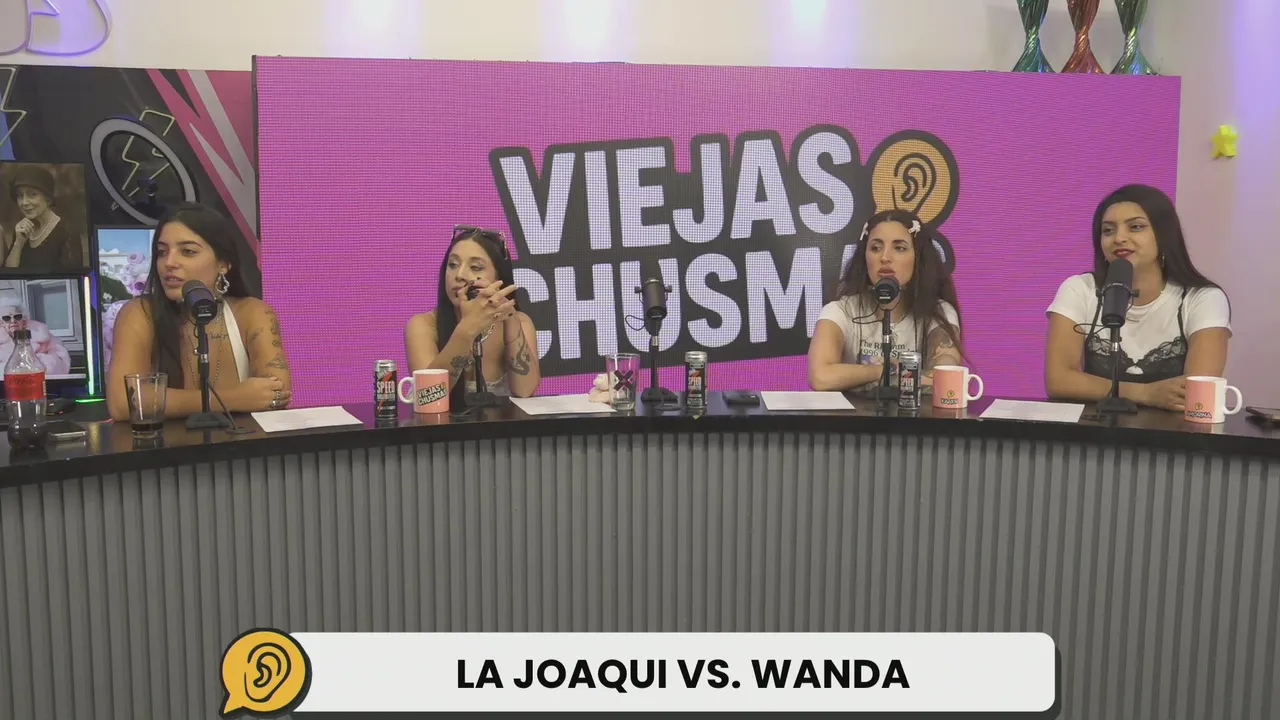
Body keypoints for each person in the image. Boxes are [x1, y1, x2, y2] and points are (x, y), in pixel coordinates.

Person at [1044, 184, 1231, 412]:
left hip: (1174, 432)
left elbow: (1196, 394)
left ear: (1164, 235)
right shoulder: (1080, 289)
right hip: (1096, 429)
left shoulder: (1203, 298)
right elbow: (1059, 381)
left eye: (1135, 227)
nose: (1119, 238)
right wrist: (1146, 393)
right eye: (1108, 230)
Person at [105, 203, 291, 422]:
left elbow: (275, 394)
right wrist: (234, 398)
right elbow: (123, 402)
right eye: (162, 252)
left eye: (188, 251)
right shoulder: (139, 314)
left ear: (223, 264)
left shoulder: (253, 313)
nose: (169, 263)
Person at [808, 209, 964, 394]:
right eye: (876, 248)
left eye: (899, 248)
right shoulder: (840, 311)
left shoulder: (938, 312)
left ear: (918, 257)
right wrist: (885, 370)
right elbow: (820, 376)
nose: (885, 257)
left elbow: (946, 373)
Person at [405, 225, 540, 402]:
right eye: (453, 265)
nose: (460, 275)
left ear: (499, 278)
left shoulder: (520, 322)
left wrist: (511, 319)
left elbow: (525, 390)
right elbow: (428, 397)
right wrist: (468, 328)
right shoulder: (423, 325)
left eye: (475, 267)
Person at [3, 165, 83, 270]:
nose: (24, 202)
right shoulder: (21, 229)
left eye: (32, 194)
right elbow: (10, 274)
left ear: (48, 199)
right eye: (20, 195)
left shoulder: (67, 234)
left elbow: (72, 276)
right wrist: (18, 243)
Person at [0, 290, 72, 375]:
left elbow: (61, 365)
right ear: (1, 322)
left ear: (23, 319)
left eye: (17, 316)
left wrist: (26, 364)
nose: (13, 321)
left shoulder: (43, 335)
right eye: (7, 318)